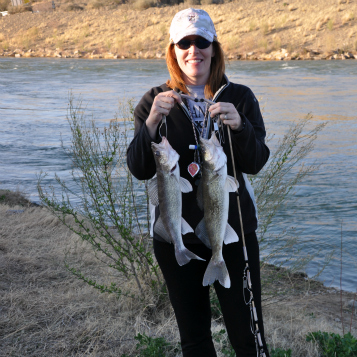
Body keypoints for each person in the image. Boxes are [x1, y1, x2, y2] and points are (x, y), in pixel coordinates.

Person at [127, 8, 270, 357]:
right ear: (173, 50)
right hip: (177, 234)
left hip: (232, 230)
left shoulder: (240, 97)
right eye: (184, 43)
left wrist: (241, 127)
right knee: (194, 338)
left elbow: (257, 162)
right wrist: (149, 124)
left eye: (201, 41)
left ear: (214, 47)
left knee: (248, 334)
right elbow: (140, 168)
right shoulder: (154, 100)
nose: (194, 50)